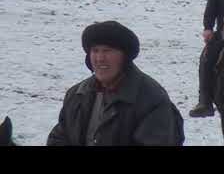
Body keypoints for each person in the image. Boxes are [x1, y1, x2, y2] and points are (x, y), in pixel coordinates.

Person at [47, 21, 184, 146]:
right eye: (95, 51)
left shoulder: (151, 99)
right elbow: (59, 137)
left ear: (125, 57)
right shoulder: (77, 95)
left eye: (107, 51)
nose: (100, 58)